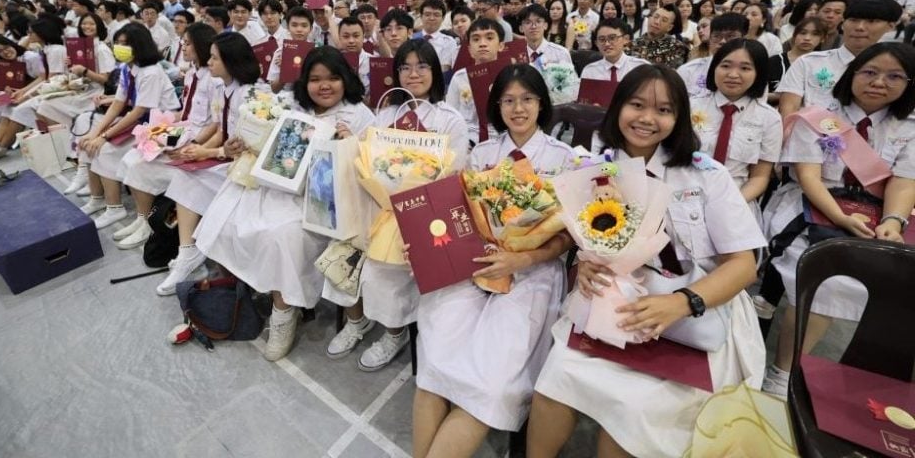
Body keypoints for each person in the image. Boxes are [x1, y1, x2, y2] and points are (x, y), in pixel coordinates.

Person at [528, 64, 766, 458]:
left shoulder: (707, 175)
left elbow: (743, 264)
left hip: (692, 313)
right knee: (555, 381)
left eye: (663, 110)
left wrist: (682, 302)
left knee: (632, 418)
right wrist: (585, 263)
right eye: (637, 105)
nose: (647, 118)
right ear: (618, 107)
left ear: (679, 117)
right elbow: (587, 238)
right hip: (614, 305)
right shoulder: (595, 169)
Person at [413, 64, 576, 458]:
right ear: (496, 106)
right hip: (476, 265)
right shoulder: (483, 154)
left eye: (527, 99)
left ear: (542, 103)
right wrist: (425, 245)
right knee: (436, 361)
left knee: (491, 383)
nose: (518, 108)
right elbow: (458, 217)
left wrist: (524, 259)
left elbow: (568, 236)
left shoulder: (564, 159)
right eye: (508, 100)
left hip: (533, 272)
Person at [194, 46, 375, 361]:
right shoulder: (289, 105)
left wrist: (350, 145)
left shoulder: (358, 114)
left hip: (324, 200)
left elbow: (368, 169)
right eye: (315, 79)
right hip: (279, 187)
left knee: (282, 237)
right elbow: (261, 144)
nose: (324, 86)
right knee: (227, 218)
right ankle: (253, 289)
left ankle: (284, 311)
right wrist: (238, 145)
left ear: (346, 79)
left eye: (333, 78)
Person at [761, 43, 915, 398]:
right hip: (812, 205)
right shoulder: (820, 115)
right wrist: (841, 219)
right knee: (825, 279)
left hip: (876, 213)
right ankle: (783, 372)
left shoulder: (909, 126)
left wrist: (893, 221)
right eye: (870, 72)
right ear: (852, 74)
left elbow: (904, 181)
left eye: (894, 76)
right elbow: (809, 177)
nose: (879, 82)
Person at [324, 39, 467, 371]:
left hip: (425, 211)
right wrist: (349, 141)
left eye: (422, 66)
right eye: (405, 67)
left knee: (384, 269)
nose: (413, 74)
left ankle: (394, 332)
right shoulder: (386, 114)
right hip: (379, 204)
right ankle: (357, 321)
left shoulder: (450, 119)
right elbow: (366, 160)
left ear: (436, 71)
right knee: (340, 246)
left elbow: (453, 174)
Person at [154, 31, 263, 295]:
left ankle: (190, 253)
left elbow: (243, 147)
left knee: (187, 180)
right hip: (229, 159)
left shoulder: (250, 95)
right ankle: (187, 250)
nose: (209, 62)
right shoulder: (224, 88)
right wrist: (198, 149)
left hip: (246, 169)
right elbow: (221, 130)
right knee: (183, 175)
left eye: (215, 58)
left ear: (231, 61)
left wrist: (206, 152)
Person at [108, 23, 220, 249]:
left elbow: (215, 124)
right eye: (183, 42)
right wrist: (159, 129)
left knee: (140, 166)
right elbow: (186, 112)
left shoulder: (213, 80)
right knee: (132, 157)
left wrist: (194, 145)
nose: (183, 47)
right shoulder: (191, 74)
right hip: (183, 132)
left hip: (197, 139)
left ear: (201, 46)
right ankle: (141, 218)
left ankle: (147, 224)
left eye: (188, 43)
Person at [78, 23, 181, 229]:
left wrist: (104, 137)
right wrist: (96, 133)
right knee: (89, 141)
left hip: (163, 127)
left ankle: (117, 208)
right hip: (143, 124)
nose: (119, 47)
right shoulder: (127, 68)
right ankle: (98, 198)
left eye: (125, 44)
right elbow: (118, 103)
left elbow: (138, 111)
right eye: (117, 43)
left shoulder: (151, 72)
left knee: (105, 150)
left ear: (139, 45)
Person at [690, 39, 782, 223]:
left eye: (745, 68)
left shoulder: (769, 119)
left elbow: (760, 177)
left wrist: (729, 204)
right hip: (687, 196)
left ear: (758, 73)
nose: (733, 74)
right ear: (714, 67)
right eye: (725, 66)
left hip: (737, 200)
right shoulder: (689, 106)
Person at [778, 0, 902, 116]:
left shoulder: (899, 72)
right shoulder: (808, 62)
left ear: (891, 27)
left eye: (871, 21)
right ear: (843, 24)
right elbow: (789, 109)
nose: (859, 27)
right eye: (853, 20)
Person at [0, 18, 68, 161]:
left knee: (19, 108)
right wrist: (22, 92)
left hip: (57, 89)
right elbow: (43, 78)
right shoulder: (45, 49)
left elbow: (50, 79)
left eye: (31, 32)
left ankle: (1, 146)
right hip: (47, 87)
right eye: (0, 51)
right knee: (9, 105)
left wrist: (26, 95)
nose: (28, 35)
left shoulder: (48, 52)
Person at [446, 18, 506, 146]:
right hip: (467, 142)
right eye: (476, 39)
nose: (482, 44)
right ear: (469, 49)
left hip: (503, 140)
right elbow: (450, 115)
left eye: (489, 38)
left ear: (501, 46)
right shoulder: (460, 77)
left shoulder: (511, 76)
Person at [677, 13, 752, 99]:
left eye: (730, 36)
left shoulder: (752, 72)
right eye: (717, 36)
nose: (722, 41)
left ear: (744, 38)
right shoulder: (688, 70)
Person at [576, 18, 649, 105]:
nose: (607, 44)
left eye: (612, 38)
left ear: (626, 39)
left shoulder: (641, 68)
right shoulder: (590, 71)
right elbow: (583, 104)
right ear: (596, 43)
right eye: (602, 39)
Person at [767, 16, 827, 104]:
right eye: (803, 33)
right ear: (794, 35)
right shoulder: (773, 62)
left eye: (815, 34)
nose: (807, 38)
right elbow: (759, 94)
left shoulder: (824, 65)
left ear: (823, 39)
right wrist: (783, 96)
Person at [628, 4, 689, 69]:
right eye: (656, 17)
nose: (657, 22)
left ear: (670, 27)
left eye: (664, 20)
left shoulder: (677, 48)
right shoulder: (632, 44)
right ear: (649, 18)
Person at [518, 4, 572, 71]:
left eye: (538, 21)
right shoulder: (515, 56)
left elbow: (570, 77)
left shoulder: (561, 53)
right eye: (528, 22)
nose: (533, 26)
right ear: (521, 28)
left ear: (545, 25)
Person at [417, 0, 460, 73]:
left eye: (436, 15)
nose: (432, 18)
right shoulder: (410, 39)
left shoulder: (449, 42)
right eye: (427, 14)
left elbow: (445, 69)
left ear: (443, 18)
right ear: (421, 16)